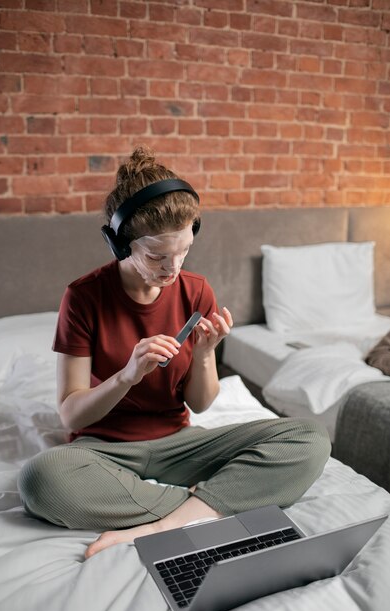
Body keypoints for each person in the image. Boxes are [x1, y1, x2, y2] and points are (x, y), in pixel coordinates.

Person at [18, 146, 331, 560]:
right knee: (40, 479)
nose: (173, 268)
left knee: (309, 438)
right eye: (157, 256)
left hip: (181, 443)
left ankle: (169, 524)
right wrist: (126, 375)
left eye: (184, 251)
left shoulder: (196, 290)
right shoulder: (83, 297)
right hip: (103, 450)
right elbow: (71, 414)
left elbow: (200, 405)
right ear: (120, 244)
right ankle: (215, 504)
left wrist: (205, 356)